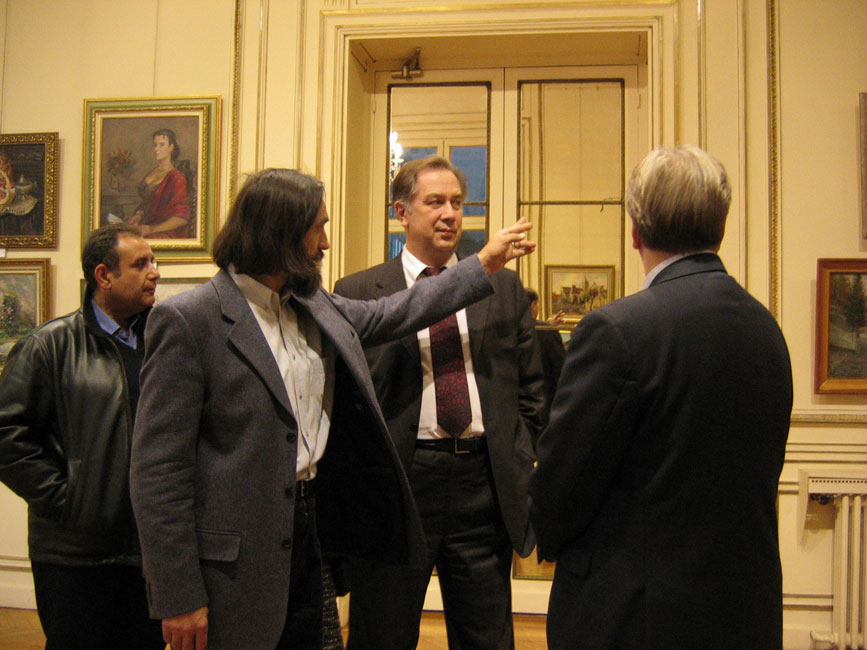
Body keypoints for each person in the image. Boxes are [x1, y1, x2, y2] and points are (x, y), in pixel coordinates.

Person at [128, 168, 535, 650]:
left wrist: (481, 265)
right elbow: (158, 471)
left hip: (310, 535)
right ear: (280, 232)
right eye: (318, 227)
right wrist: (177, 594)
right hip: (237, 561)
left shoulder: (309, 303)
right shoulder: (188, 318)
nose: (324, 242)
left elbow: (393, 314)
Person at [528, 145, 793, 650]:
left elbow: (564, 482)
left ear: (635, 230)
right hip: (743, 607)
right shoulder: (765, 327)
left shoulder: (617, 329)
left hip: (635, 613)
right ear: (720, 225)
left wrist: (545, 534)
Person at [333, 155, 546, 650]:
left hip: (482, 488)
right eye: (435, 202)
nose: (450, 213)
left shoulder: (504, 287)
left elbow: (532, 388)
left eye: (457, 202)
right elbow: (348, 404)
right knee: (382, 633)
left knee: (486, 636)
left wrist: (517, 450)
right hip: (400, 488)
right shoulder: (361, 292)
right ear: (402, 213)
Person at [0, 224, 163, 650]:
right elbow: (6, 434)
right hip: (75, 556)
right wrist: (66, 498)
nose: (155, 272)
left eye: (154, 261)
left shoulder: (163, 344)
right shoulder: (48, 346)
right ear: (104, 276)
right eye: (141, 263)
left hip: (149, 551)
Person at [129, 128, 191, 238]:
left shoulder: (177, 177)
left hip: (164, 231)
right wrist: (139, 215)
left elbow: (182, 217)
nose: (156, 149)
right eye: (155, 144)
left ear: (171, 147)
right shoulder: (152, 172)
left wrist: (151, 229)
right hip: (145, 225)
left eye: (161, 145)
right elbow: (148, 202)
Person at [524, 288, 566, 424]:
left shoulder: (506, 330)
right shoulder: (547, 330)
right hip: (545, 404)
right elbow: (560, 371)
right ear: (533, 305)